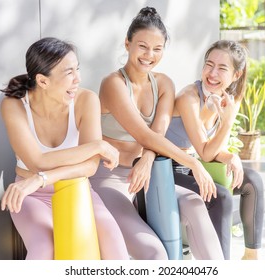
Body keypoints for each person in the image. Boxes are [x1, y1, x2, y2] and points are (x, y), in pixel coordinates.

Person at [89, 7, 224, 260]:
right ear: (127, 43)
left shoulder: (164, 84)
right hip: (109, 180)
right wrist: (193, 162)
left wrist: (148, 159)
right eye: (142, 46)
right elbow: (144, 135)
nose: (149, 55)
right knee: (154, 253)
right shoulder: (113, 84)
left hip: (148, 177)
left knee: (194, 204)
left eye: (157, 48)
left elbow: (157, 133)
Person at [0, 37, 129, 260]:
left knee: (115, 246)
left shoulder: (86, 100)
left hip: (76, 188)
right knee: (45, 248)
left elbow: (89, 166)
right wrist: (97, 146)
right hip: (31, 195)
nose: (78, 79)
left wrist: (41, 178)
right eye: (69, 73)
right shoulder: (14, 105)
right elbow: (37, 161)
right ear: (42, 81)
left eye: (77, 69)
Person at [165, 40, 264, 260]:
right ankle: (221, 267)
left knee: (252, 181)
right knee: (221, 197)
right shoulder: (188, 98)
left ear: (235, 76)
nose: (212, 73)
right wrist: (228, 123)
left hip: (195, 164)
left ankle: (251, 257)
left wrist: (232, 155)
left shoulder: (226, 99)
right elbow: (205, 152)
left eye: (222, 68)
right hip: (169, 167)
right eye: (209, 64)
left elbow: (212, 150)